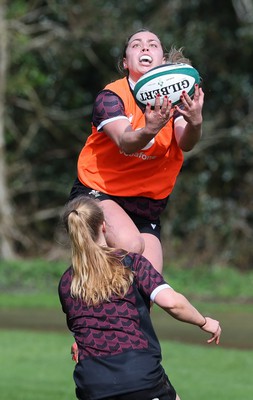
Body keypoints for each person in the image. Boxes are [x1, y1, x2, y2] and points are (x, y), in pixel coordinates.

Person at [58, 195, 221, 400]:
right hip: (138, 376)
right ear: (104, 225)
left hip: (92, 383)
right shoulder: (130, 263)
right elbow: (173, 303)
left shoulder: (67, 281)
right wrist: (204, 321)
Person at [69, 29, 204, 274]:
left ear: (163, 61)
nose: (145, 47)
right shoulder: (111, 96)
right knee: (131, 244)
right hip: (100, 190)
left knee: (150, 284)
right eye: (136, 45)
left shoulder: (175, 100)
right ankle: (89, 298)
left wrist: (195, 121)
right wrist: (150, 129)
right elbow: (125, 141)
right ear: (125, 62)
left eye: (153, 44)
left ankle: (122, 309)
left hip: (146, 203)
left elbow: (186, 142)